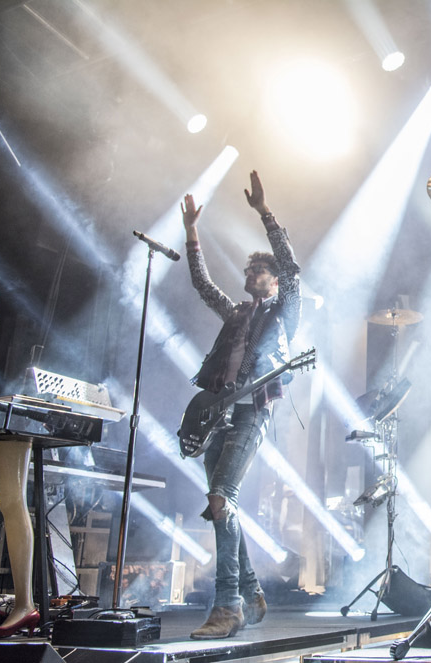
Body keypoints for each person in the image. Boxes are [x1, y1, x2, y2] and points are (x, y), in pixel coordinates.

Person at [180, 171, 301, 639]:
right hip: (217, 416)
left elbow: (292, 269)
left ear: (271, 281)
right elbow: (200, 282)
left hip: (252, 413)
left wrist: (265, 214)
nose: (250, 276)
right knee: (221, 504)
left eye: (258, 272)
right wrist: (192, 230)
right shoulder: (236, 313)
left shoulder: (284, 309)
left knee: (220, 499)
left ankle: (227, 605)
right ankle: (249, 594)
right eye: (248, 271)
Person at [0, 277, 39, 640]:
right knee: (12, 502)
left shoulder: (11, 311)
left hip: (7, 406)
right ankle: (22, 605)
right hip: (6, 402)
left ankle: (24, 604)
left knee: (12, 501)